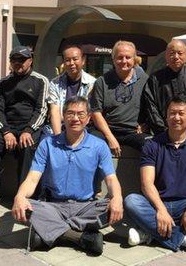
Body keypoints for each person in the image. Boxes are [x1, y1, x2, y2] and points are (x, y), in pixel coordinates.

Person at [11, 96, 123, 255]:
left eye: (81, 114)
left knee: (113, 208)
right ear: (63, 116)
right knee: (24, 206)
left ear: (89, 118)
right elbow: (32, 178)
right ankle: (81, 237)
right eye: (70, 113)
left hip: (86, 207)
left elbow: (111, 179)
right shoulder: (48, 144)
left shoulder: (99, 146)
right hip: (53, 205)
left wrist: (117, 198)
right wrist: (20, 196)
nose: (75, 118)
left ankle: (52, 233)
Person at [124, 94, 186, 254]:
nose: (176, 117)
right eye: (172, 113)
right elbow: (146, 183)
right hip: (157, 205)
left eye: (181, 113)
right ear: (166, 116)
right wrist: (161, 210)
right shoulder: (152, 145)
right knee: (131, 201)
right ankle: (185, 239)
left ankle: (150, 234)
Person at [0, 46, 49, 210]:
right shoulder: (3, 83)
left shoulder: (41, 80)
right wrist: (6, 131)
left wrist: (29, 130)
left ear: (30, 60)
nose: (17, 63)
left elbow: (42, 109)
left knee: (28, 148)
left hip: (29, 127)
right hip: (6, 127)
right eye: (14, 60)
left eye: (21, 60)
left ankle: (24, 197)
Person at [90, 41, 149, 156]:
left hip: (133, 132)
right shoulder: (101, 82)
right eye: (120, 57)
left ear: (134, 59)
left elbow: (152, 107)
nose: (124, 61)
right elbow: (96, 113)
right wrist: (110, 137)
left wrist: (147, 123)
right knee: (91, 144)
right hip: (106, 130)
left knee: (152, 146)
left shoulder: (146, 81)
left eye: (128, 57)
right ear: (113, 59)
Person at [144, 39, 186, 139]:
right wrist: (164, 132)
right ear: (166, 56)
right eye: (171, 53)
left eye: (180, 53)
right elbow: (151, 108)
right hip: (163, 134)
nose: (176, 57)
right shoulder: (155, 79)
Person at [45, 44, 96, 136]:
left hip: (83, 127)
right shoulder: (55, 83)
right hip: (60, 126)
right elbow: (55, 111)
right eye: (67, 60)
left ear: (83, 60)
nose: (71, 63)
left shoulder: (92, 83)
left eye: (75, 59)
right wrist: (58, 137)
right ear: (63, 62)